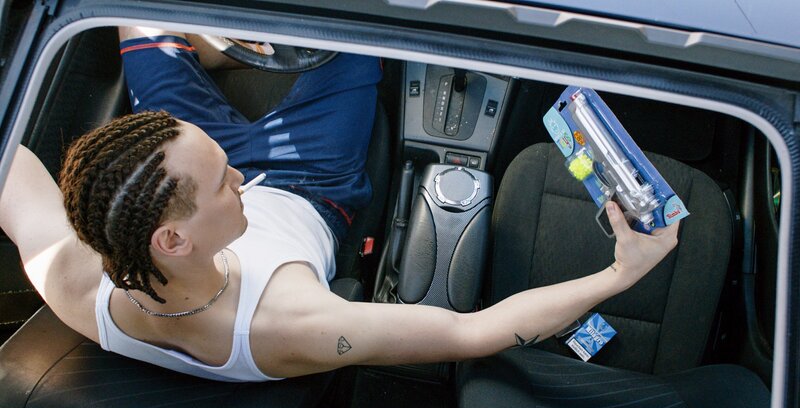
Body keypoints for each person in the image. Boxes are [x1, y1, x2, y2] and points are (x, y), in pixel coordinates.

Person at [0, 27, 680, 382]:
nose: (239, 174)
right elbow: (473, 332)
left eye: (220, 160)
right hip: (309, 182)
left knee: (139, 17)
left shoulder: (70, 276)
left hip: (180, 177)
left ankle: (224, 50)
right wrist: (620, 273)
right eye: (224, 181)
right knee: (359, 43)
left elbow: (9, 167)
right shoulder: (292, 324)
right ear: (173, 240)